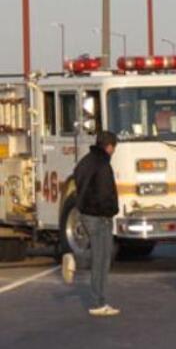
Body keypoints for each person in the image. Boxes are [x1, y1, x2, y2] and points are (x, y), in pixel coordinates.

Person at [65, 131, 120, 316]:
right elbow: (105, 192)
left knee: (98, 255)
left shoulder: (85, 161)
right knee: (103, 259)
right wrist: (111, 211)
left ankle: (76, 261)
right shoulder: (103, 164)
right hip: (100, 216)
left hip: (86, 214)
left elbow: (77, 179)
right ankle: (99, 302)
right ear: (110, 146)